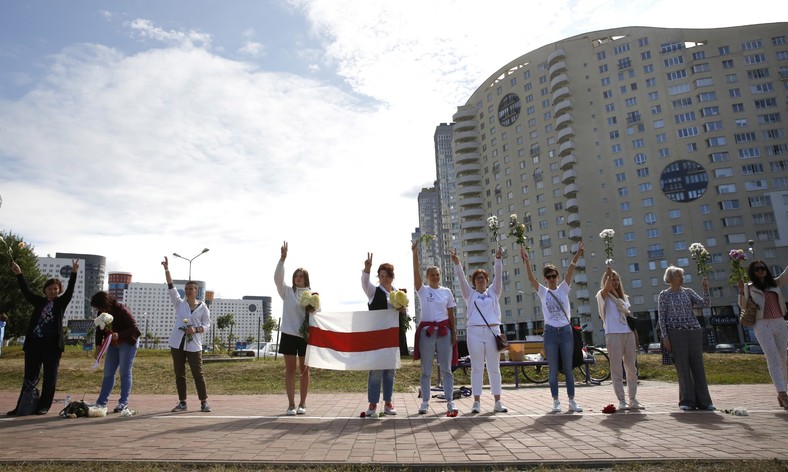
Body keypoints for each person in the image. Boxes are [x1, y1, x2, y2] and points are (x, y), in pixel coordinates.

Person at [7, 259, 78, 416]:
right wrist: (19, 274)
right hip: (34, 344)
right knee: (29, 377)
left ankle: (43, 406)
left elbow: (70, 291)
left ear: (59, 291)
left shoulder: (60, 303)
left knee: (49, 376)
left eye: (56, 289)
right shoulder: (38, 301)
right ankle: (22, 406)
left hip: (52, 346)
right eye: (50, 288)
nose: (53, 291)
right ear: (45, 290)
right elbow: (26, 291)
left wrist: (74, 273)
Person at [522, 242, 584, 413]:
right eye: (548, 276)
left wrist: (578, 253)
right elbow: (530, 278)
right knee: (553, 369)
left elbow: (571, 268)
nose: (551, 278)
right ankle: (556, 401)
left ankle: (572, 401)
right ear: (545, 279)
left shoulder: (564, 288)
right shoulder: (543, 292)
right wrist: (526, 261)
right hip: (550, 332)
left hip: (565, 331)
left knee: (569, 369)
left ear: (558, 276)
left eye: (554, 275)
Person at [451, 246, 508, 414]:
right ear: (474, 281)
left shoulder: (494, 293)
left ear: (487, 280)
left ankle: (497, 401)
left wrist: (498, 259)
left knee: (494, 367)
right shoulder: (469, 295)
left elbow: (499, 278)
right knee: (477, 367)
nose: (481, 280)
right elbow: (461, 278)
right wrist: (457, 263)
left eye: (483, 277)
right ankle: (476, 402)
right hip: (474, 333)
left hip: (492, 332)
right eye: (478, 278)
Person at [658, 265, 714, 411]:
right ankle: (687, 401)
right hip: (675, 333)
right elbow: (661, 318)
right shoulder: (664, 295)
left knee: (698, 366)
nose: (682, 278)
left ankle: (705, 402)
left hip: (694, 331)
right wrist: (665, 337)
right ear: (670, 279)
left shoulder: (688, 292)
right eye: (679, 276)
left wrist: (706, 288)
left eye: (682, 276)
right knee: (682, 367)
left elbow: (706, 304)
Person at [412, 241, 458, 416]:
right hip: (427, 333)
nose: (435, 277)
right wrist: (414, 254)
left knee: (446, 368)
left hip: (444, 332)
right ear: (427, 277)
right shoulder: (422, 291)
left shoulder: (446, 292)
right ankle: (425, 401)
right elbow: (415, 273)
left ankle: (450, 401)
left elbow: (451, 314)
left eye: (437, 274)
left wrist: (454, 333)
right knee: (426, 370)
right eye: (432, 275)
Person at [162, 257, 211, 413]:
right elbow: (171, 287)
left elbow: (207, 325)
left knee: (198, 373)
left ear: (196, 291)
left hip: (194, 344)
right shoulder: (180, 303)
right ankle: (182, 402)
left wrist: (195, 330)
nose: (189, 291)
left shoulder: (203, 308)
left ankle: (204, 402)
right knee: (179, 373)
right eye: (187, 289)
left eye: (192, 289)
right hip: (177, 343)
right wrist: (167, 270)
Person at [738, 261, 788, 408]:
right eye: (756, 269)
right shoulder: (749, 287)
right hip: (762, 324)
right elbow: (743, 305)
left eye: (762, 268)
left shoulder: (775, 283)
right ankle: (782, 393)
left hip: (780, 322)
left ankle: (785, 390)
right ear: (752, 272)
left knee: (782, 358)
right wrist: (741, 291)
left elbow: (786, 274)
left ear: (766, 270)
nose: (760, 271)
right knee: (772, 357)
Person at [361, 253, 404, 416]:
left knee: (389, 371)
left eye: (386, 276)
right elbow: (365, 284)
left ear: (392, 277)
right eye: (381, 276)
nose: (383, 279)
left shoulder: (398, 293)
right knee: (376, 371)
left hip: (391, 338)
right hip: (376, 338)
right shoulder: (374, 291)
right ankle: (372, 404)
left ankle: (388, 403)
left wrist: (402, 309)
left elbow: (403, 313)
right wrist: (367, 269)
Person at [596, 267, 642, 410]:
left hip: (628, 333)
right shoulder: (602, 296)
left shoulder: (624, 298)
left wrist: (635, 334)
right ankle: (622, 400)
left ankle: (633, 399)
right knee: (616, 368)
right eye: (612, 279)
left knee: (631, 368)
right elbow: (606, 289)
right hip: (613, 334)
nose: (615, 282)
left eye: (617, 279)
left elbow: (628, 317)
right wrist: (608, 275)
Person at [274, 241, 312, 416]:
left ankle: (302, 404)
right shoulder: (287, 292)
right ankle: (291, 404)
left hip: (305, 337)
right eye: (296, 276)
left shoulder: (312, 295)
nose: (298, 278)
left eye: (301, 276)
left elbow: (316, 315)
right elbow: (277, 279)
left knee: (304, 370)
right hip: (289, 334)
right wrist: (282, 260)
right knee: (290, 370)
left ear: (306, 279)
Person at [90, 291, 141, 413]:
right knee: (108, 372)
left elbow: (135, 328)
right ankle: (101, 402)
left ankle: (123, 402)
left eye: (101, 307)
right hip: (112, 344)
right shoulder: (101, 313)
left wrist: (119, 335)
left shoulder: (122, 310)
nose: (100, 310)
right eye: (98, 308)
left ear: (107, 303)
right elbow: (99, 330)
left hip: (128, 342)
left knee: (124, 371)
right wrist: (98, 347)